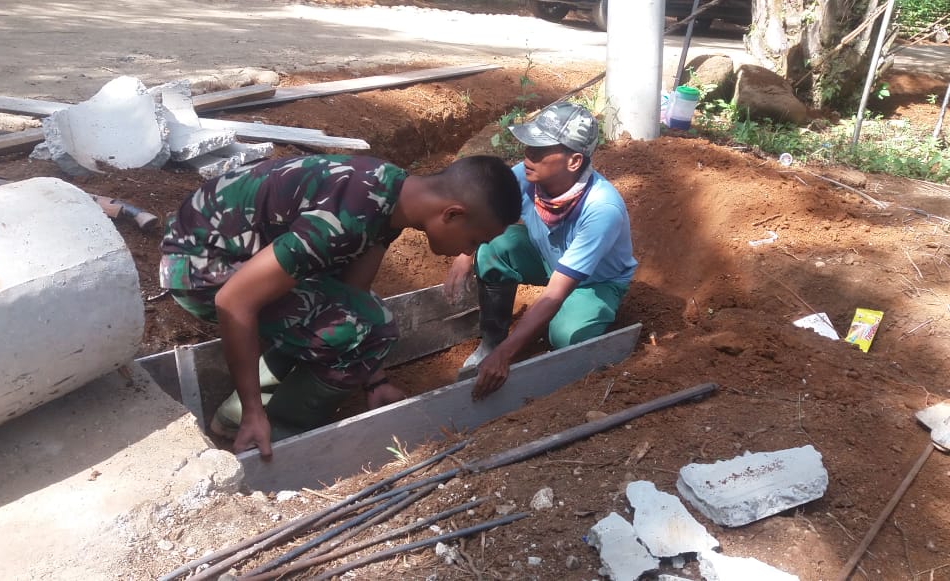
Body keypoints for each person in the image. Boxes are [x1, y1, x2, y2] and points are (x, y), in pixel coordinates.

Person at [160, 154, 521, 456]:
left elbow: (351, 294)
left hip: (235, 254)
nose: (468, 252)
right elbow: (234, 300)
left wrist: (373, 379)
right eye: (474, 240)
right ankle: (273, 434)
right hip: (199, 269)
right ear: (452, 214)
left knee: (361, 319)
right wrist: (257, 412)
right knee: (377, 325)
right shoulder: (345, 221)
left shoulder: (394, 194)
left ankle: (233, 415)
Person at [444, 102, 637, 400]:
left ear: (573, 161)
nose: (528, 155)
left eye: (540, 149)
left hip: (594, 282)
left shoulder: (601, 208)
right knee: (493, 247)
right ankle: (491, 342)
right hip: (549, 258)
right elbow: (487, 211)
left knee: (564, 334)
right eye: (528, 146)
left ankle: (594, 321)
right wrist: (465, 254)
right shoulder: (526, 174)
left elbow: (555, 293)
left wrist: (507, 357)